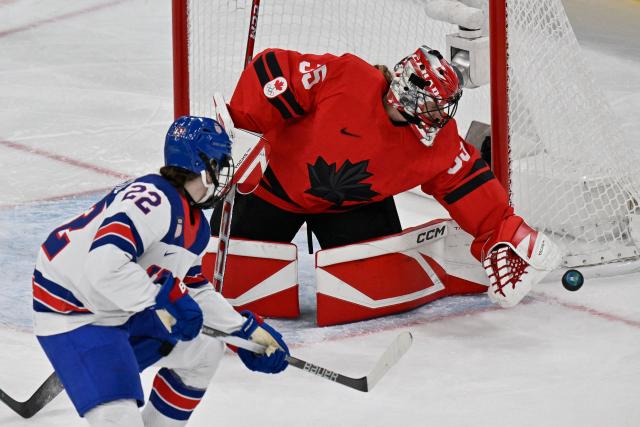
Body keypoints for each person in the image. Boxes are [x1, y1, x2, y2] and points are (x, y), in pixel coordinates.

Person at [211, 45, 562, 314]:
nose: (438, 116)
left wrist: (503, 232)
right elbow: (273, 73)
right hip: (272, 190)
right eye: (431, 104)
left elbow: (465, 180)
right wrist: (244, 130)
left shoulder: (436, 141)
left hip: (351, 208)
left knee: (376, 283)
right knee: (226, 281)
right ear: (408, 91)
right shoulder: (348, 79)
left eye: (442, 107)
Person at [33, 116, 290, 427]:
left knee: (206, 349)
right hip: (74, 313)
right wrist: (159, 297)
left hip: (120, 309)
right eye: (219, 165)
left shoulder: (193, 224)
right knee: (119, 417)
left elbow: (193, 286)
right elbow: (103, 264)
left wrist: (244, 332)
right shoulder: (153, 199)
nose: (224, 175)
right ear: (199, 164)